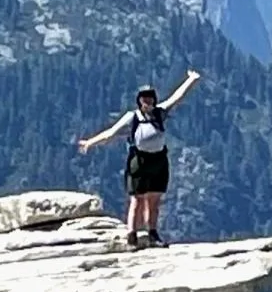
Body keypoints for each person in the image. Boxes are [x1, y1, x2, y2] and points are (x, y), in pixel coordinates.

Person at [78, 71, 202, 248]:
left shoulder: (160, 113)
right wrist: (91, 142)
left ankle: (152, 234)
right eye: (144, 98)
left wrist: (191, 79)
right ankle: (132, 236)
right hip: (139, 161)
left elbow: (177, 97)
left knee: (155, 200)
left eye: (150, 98)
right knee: (137, 199)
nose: (148, 101)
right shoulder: (132, 117)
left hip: (159, 160)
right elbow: (111, 133)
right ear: (139, 100)